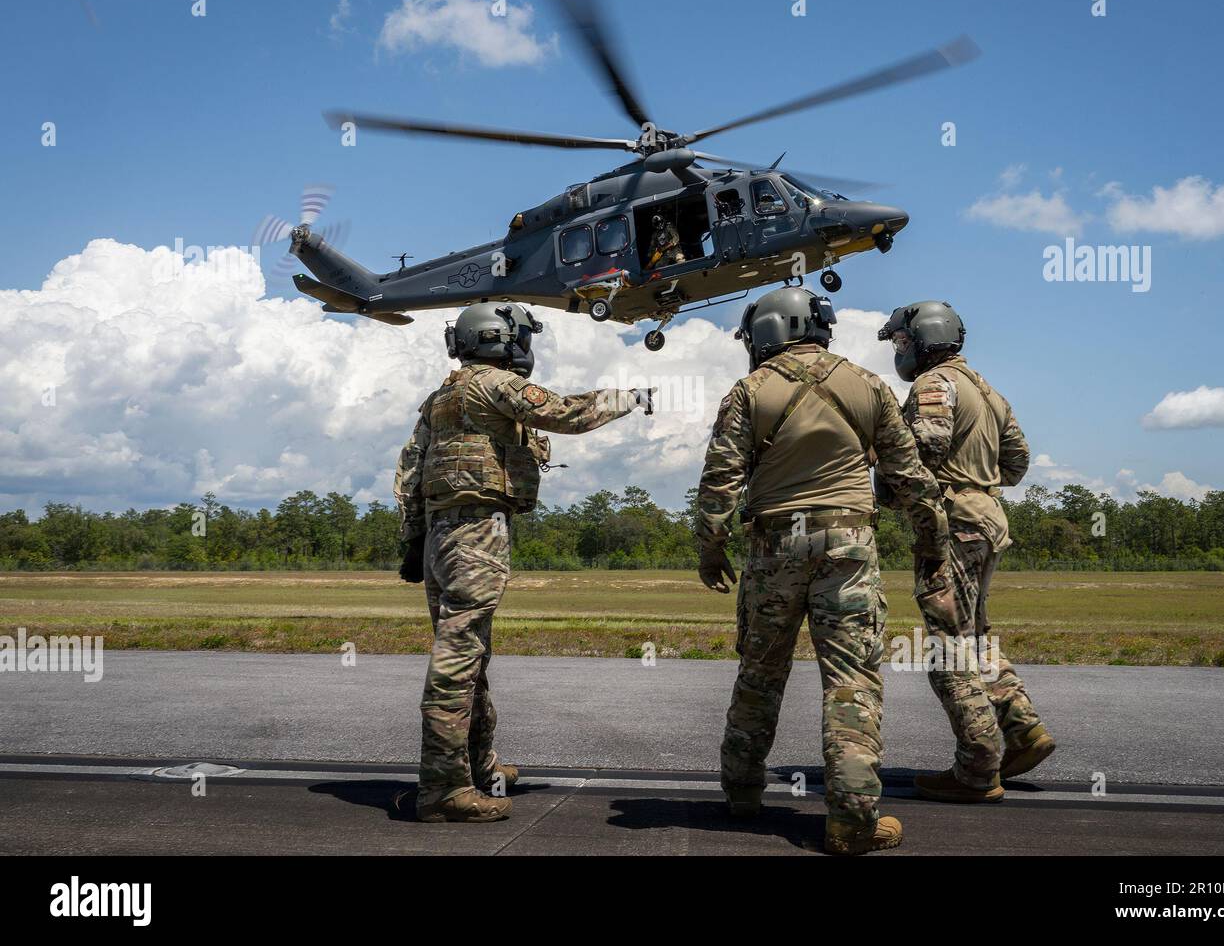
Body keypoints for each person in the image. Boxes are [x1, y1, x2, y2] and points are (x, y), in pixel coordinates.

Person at [694, 286, 948, 855]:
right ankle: (853, 821)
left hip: (774, 545)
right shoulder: (870, 386)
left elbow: (719, 483)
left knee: (760, 672)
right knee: (852, 681)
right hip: (849, 544)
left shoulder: (750, 390)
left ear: (766, 332)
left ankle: (740, 793)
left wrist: (711, 549)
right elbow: (911, 479)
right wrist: (931, 540)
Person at [394, 302, 654, 822]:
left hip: (443, 534)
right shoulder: (494, 385)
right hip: (476, 531)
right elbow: (566, 413)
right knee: (460, 654)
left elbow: (409, 473)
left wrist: (412, 542)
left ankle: (476, 764)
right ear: (502, 340)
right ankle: (443, 788)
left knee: (472, 656)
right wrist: (631, 397)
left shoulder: (440, 397)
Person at [877, 300, 1055, 804]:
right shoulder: (987, 390)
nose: (899, 349)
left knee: (947, 649)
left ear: (922, 340)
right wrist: (979, 479)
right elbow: (1017, 462)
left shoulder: (933, 385)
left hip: (953, 524)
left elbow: (923, 454)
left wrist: (886, 489)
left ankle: (978, 768)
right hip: (987, 518)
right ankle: (1023, 731)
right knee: (973, 637)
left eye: (901, 341)